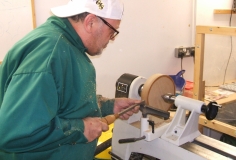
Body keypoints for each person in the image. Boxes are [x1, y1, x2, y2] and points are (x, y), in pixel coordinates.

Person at [0, 0, 140, 159]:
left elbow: (61, 102)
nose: (112, 38)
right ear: (91, 22)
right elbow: (16, 133)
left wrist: (110, 106)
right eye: (112, 31)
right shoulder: (49, 51)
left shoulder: (68, 46)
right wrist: (81, 129)